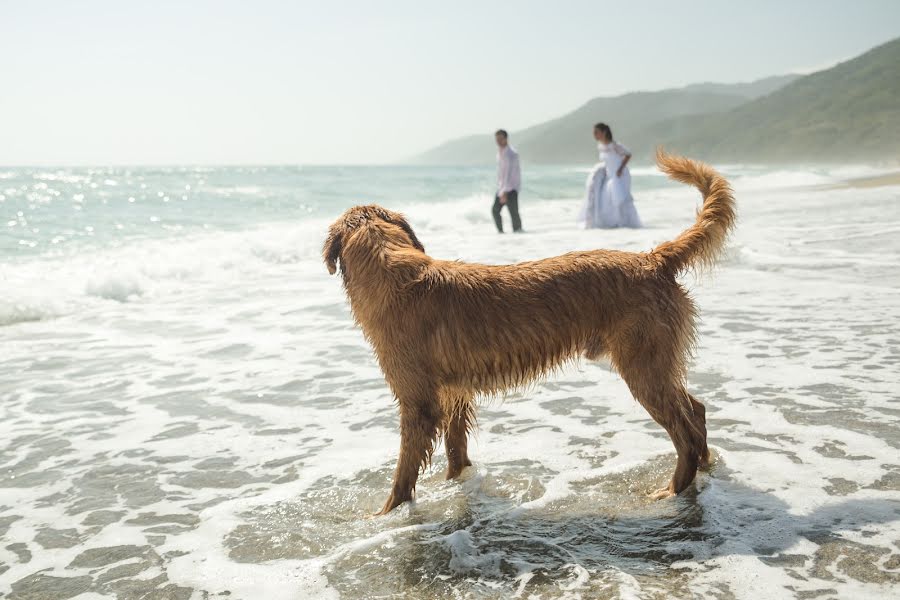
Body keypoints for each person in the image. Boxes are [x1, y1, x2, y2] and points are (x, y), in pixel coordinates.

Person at [578, 123, 642, 229]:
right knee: (607, 199)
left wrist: (620, 169)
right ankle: (614, 223)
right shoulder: (600, 146)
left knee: (619, 198)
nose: (594, 135)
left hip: (620, 175)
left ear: (604, 132)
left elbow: (628, 154)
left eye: (596, 132)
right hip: (609, 175)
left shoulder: (615, 145)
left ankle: (625, 223)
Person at [492, 129, 522, 233]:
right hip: (502, 188)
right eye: (497, 139)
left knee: (514, 214)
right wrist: (501, 189)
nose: (498, 142)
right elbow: (501, 174)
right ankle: (501, 234)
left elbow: (508, 174)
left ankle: (520, 237)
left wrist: (504, 191)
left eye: (500, 139)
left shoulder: (511, 154)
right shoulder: (500, 153)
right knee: (495, 210)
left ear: (506, 139)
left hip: (510, 188)